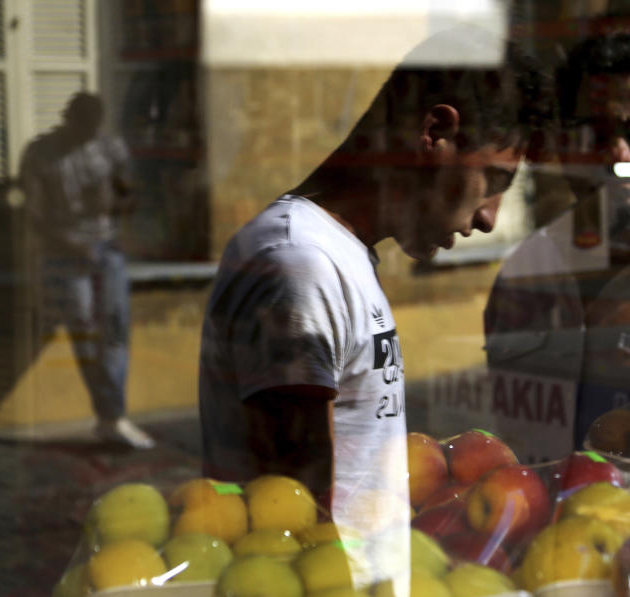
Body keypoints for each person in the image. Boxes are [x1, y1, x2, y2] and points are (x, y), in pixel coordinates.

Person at [198, 26, 547, 516]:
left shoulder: (334, 256)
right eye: (494, 179)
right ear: (435, 134)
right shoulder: (302, 264)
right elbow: (297, 511)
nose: (489, 217)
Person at [485, 32, 630, 461]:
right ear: (562, 144)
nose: (619, 151)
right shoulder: (526, 276)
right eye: (594, 132)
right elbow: (520, 445)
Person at [20, 92, 155, 449]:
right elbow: (30, 212)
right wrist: (65, 241)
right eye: (82, 128)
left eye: (94, 129)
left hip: (107, 249)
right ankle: (109, 414)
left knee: (112, 331)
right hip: (62, 254)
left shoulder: (109, 149)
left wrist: (113, 201)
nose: (88, 136)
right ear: (68, 119)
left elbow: (133, 198)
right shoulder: (41, 153)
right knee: (84, 330)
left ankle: (112, 417)